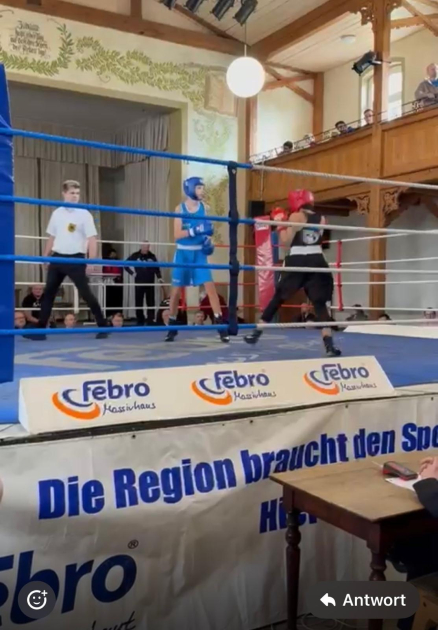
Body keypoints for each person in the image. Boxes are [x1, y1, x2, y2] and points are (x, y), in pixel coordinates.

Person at [244, 190, 341, 357]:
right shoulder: (322, 218)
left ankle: (256, 332)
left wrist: (279, 222)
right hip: (317, 260)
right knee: (320, 304)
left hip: (297, 260)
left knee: (279, 297)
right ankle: (329, 345)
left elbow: (286, 241)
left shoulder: (296, 216)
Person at [36, 180, 108, 340]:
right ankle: (40, 331)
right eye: (72, 193)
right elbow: (52, 237)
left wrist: (91, 260)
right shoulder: (57, 213)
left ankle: (103, 325)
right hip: (57, 257)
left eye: (77, 193)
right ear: (64, 194)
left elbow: (92, 239)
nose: (75, 196)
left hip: (76, 259)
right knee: (49, 294)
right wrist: (45, 256)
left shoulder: (84, 214)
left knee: (86, 294)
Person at [165, 177, 229, 343]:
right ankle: (172, 325)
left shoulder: (205, 208)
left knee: (211, 289)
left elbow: (208, 231)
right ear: (191, 189)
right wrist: (194, 231)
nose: (202, 190)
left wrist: (209, 241)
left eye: (202, 187)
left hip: (199, 254)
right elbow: (176, 235)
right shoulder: (179, 209)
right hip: (183, 254)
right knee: (175, 293)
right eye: (199, 187)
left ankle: (221, 325)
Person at [126, 241, 163, 326]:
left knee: (151, 302)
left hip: (150, 282)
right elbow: (125, 265)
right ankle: (140, 320)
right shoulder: (135, 255)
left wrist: (159, 277)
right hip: (139, 282)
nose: (146, 248)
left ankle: (150, 320)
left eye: (148, 247)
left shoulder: (152, 256)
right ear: (141, 246)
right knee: (138, 302)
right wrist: (133, 273)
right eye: (145, 246)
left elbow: (157, 268)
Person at [103, 247, 123, 317]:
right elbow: (104, 271)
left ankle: (117, 313)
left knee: (117, 298)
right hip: (108, 282)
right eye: (112, 254)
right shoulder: (105, 262)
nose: (113, 255)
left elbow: (120, 271)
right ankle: (109, 314)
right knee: (108, 298)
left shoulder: (118, 262)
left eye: (114, 254)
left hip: (117, 282)